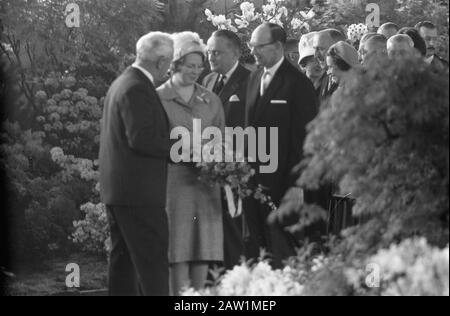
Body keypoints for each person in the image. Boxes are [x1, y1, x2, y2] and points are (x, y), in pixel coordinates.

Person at [99, 32, 174, 296]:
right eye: (170, 61)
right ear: (161, 60)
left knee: (123, 264)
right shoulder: (137, 87)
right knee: (152, 264)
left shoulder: (122, 83)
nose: (170, 67)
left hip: (121, 192)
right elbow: (141, 138)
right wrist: (182, 149)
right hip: (139, 195)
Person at [157, 31, 225, 295]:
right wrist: (181, 150)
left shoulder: (211, 100)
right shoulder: (158, 98)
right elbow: (150, 141)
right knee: (178, 248)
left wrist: (215, 156)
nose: (196, 71)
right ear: (175, 64)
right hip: (172, 182)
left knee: (203, 248)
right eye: (190, 66)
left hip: (207, 184)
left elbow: (221, 138)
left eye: (199, 66)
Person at [244, 23, 318, 268]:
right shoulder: (254, 77)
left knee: (286, 253)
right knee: (259, 252)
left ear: (277, 47)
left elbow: (305, 139)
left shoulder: (298, 83)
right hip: (254, 182)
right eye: (251, 45)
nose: (253, 51)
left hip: (284, 185)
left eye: (259, 46)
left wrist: (298, 185)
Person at [203, 30, 251, 270]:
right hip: (209, 165)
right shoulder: (209, 80)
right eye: (209, 51)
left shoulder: (250, 80)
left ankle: (235, 283)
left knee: (234, 230)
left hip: (236, 166)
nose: (211, 57)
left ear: (235, 53)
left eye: (217, 52)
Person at [312, 29, 347, 102]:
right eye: (315, 49)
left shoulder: (354, 80)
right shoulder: (324, 79)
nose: (316, 55)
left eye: (320, 49)